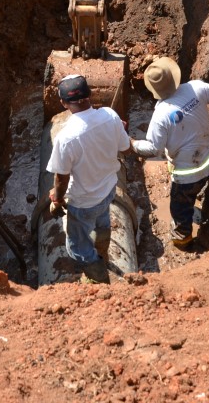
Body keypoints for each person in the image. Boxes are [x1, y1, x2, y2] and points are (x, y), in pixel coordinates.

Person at [132, 57, 209, 249]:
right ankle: (199, 201)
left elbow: (153, 148)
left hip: (187, 175)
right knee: (196, 188)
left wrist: (132, 144)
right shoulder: (197, 87)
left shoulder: (160, 115)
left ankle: (183, 241)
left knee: (179, 208)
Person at [46, 75, 132, 278]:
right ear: (90, 95)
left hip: (83, 202)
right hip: (109, 190)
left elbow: (61, 178)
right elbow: (126, 148)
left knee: (77, 247)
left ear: (63, 103)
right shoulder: (110, 116)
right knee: (102, 221)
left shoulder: (66, 138)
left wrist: (57, 200)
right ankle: (102, 246)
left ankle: (97, 278)